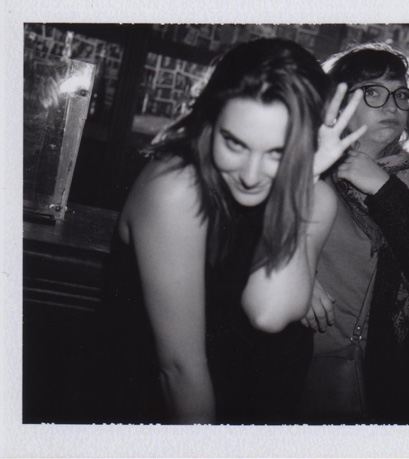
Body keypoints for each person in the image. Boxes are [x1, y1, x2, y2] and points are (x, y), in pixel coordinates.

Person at [100, 38, 366, 425]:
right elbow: (180, 370)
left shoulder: (316, 196)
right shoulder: (177, 189)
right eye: (235, 143)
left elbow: (268, 313)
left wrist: (301, 181)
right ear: (210, 122)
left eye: (278, 152)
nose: (251, 175)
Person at [299, 42, 409, 424]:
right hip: (292, 362)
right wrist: (297, 274)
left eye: (401, 94)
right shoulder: (302, 164)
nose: (392, 106)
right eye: (374, 92)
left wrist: (382, 187)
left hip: (366, 376)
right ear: (340, 102)